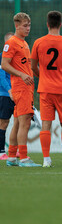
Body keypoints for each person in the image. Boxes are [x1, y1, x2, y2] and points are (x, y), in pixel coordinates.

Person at [30, 11, 62, 167]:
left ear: (47, 24)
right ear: (61, 24)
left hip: (45, 89)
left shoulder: (38, 42)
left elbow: (32, 66)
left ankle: (46, 160)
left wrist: (42, 76)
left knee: (46, 124)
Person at [1, 13, 40, 167]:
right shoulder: (11, 43)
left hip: (26, 87)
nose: (28, 28)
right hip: (20, 88)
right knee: (25, 123)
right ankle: (23, 158)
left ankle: (11, 157)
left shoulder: (24, 43)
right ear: (17, 26)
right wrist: (22, 75)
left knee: (17, 122)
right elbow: (4, 64)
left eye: (29, 25)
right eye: (25, 25)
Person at [0, 32, 15, 162]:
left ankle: (15, 151)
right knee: (4, 123)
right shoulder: (2, 58)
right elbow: (1, 77)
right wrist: (10, 90)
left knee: (21, 122)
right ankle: (1, 152)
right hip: (5, 94)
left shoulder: (18, 57)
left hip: (19, 93)